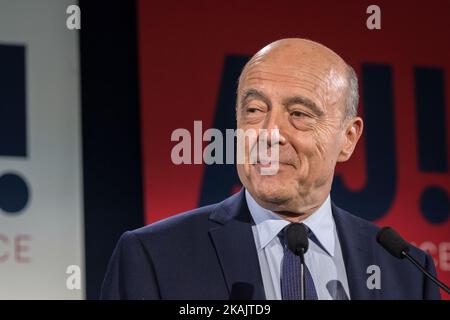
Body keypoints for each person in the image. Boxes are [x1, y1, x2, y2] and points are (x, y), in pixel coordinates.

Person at [100, 39, 440, 300]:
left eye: (299, 114)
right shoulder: (154, 257)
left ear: (348, 138)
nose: (269, 133)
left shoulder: (406, 271)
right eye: (254, 109)